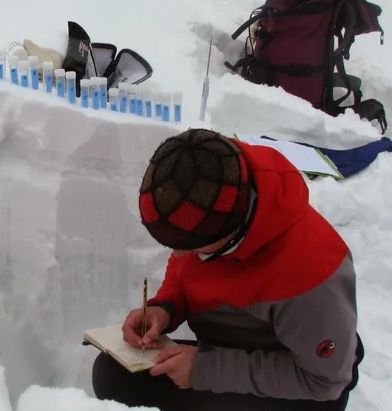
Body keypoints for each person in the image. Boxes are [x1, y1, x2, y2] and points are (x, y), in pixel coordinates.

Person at [92, 128, 364, 411]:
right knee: (114, 375)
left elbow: (325, 382)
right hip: (231, 347)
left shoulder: (312, 271)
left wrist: (205, 370)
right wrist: (166, 307)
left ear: (233, 233)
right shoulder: (214, 182)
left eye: (195, 249)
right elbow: (186, 267)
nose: (178, 256)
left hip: (302, 388)